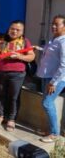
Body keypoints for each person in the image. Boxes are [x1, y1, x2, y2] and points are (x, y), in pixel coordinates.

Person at [0, 21, 35, 132]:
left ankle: (11, 119)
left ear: (22, 31)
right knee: (1, 95)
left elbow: (31, 57)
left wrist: (19, 56)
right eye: (12, 28)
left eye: (18, 30)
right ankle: (0, 115)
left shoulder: (25, 41)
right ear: (9, 28)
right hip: (1, 72)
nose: (14, 31)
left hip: (17, 74)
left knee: (14, 97)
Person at [37, 15, 65, 143]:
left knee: (47, 103)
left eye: (57, 24)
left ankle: (54, 133)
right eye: (53, 23)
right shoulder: (55, 39)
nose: (53, 26)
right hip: (47, 75)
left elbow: (64, 64)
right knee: (46, 103)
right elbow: (52, 54)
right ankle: (51, 130)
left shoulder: (63, 41)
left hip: (56, 79)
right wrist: (39, 49)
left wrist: (53, 82)